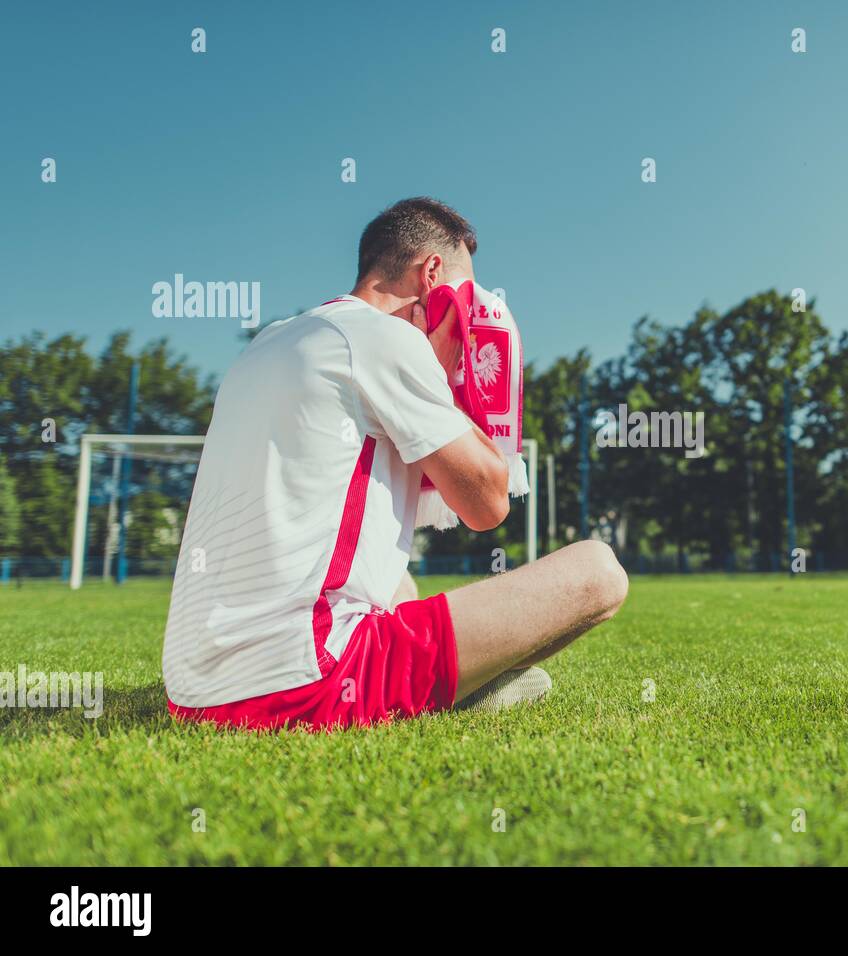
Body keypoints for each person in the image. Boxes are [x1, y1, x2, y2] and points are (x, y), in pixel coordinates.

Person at [161, 197, 627, 730]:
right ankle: (455, 693)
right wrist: (445, 368)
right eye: (467, 292)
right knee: (600, 572)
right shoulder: (387, 339)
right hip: (306, 684)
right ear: (433, 273)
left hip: (190, 692)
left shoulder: (271, 341)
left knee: (395, 574)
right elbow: (487, 504)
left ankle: (450, 679)